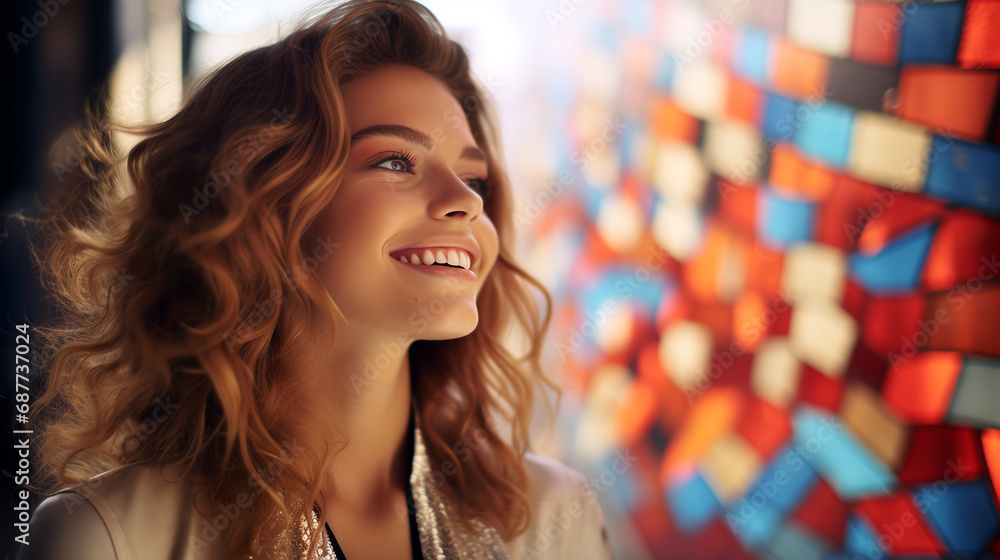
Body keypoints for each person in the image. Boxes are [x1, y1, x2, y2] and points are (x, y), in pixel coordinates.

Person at [15, 0, 614, 559]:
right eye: (394, 161)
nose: (464, 202)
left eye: (474, 179)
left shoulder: (555, 518)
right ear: (264, 211)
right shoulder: (107, 537)